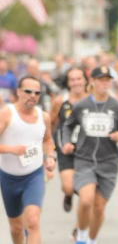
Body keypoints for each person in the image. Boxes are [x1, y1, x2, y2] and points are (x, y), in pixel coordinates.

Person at [62, 66, 118, 244]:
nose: (105, 83)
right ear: (92, 82)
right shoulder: (81, 105)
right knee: (86, 200)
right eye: (101, 79)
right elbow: (67, 126)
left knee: (98, 207)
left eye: (108, 80)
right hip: (85, 160)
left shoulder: (117, 106)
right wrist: (67, 142)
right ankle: (80, 239)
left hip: (109, 163)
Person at [0, 76, 55, 244]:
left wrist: (50, 157)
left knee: (32, 220)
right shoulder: (7, 114)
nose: (33, 96)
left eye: (37, 93)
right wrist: (10, 149)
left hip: (33, 175)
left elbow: (48, 140)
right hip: (8, 177)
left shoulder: (44, 117)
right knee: (15, 229)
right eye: (28, 91)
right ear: (18, 92)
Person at [50, 67, 89, 214]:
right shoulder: (60, 101)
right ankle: (68, 194)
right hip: (65, 148)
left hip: (88, 149)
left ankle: (83, 216)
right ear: (68, 82)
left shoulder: (92, 100)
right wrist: (49, 147)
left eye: (79, 78)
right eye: (72, 79)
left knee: (87, 190)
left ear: (85, 80)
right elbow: (51, 123)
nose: (76, 82)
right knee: (68, 186)